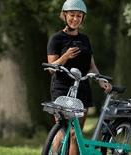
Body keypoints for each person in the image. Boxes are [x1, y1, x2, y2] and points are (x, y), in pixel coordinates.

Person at [46, 0, 112, 154]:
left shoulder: (85, 39)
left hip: (82, 88)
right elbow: (51, 68)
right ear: (64, 15)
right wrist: (65, 56)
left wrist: (101, 80)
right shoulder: (56, 39)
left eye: (79, 16)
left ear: (83, 18)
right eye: (72, 15)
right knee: (61, 130)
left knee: (76, 134)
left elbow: (92, 66)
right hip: (62, 89)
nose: (75, 19)